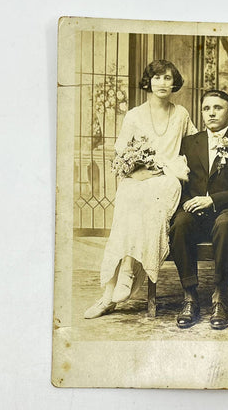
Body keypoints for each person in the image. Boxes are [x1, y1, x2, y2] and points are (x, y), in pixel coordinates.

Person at [84, 60, 197, 319]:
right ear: (148, 82)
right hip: (141, 176)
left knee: (154, 194)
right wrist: (136, 171)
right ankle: (110, 291)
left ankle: (126, 271)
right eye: (157, 77)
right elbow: (121, 151)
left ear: (174, 83)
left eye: (168, 78)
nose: (162, 83)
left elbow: (195, 143)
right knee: (128, 194)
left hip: (168, 178)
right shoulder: (134, 115)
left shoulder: (181, 114)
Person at [169, 90, 228, 330]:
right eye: (206, 108)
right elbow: (179, 181)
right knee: (180, 223)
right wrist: (191, 202)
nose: (211, 113)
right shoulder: (189, 143)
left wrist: (213, 200)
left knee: (224, 224)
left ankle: (219, 297)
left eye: (218, 108)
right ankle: (190, 296)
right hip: (196, 215)